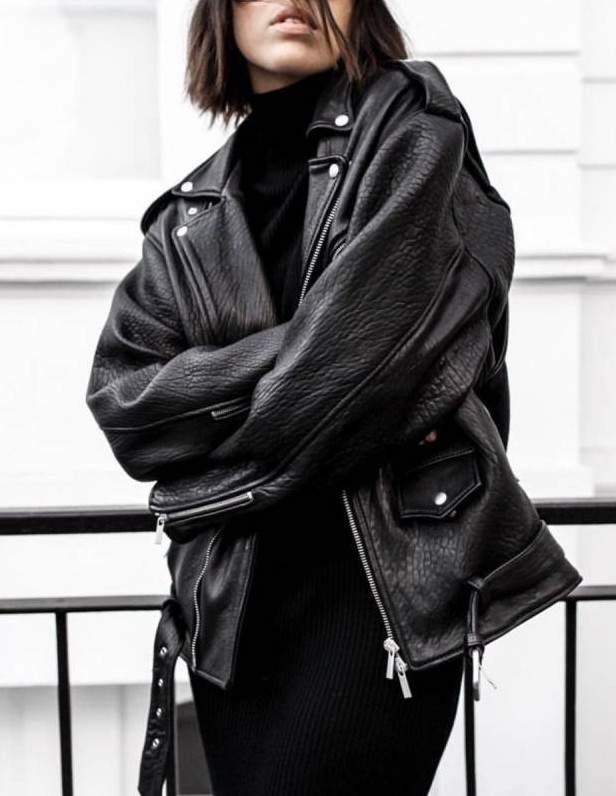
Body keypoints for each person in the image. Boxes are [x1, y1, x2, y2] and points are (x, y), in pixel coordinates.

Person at [85, 0, 583, 794]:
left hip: (380, 592)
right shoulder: (187, 215)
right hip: (234, 609)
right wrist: (304, 352)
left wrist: (201, 475)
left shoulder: (415, 130)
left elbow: (359, 369)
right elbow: (127, 406)